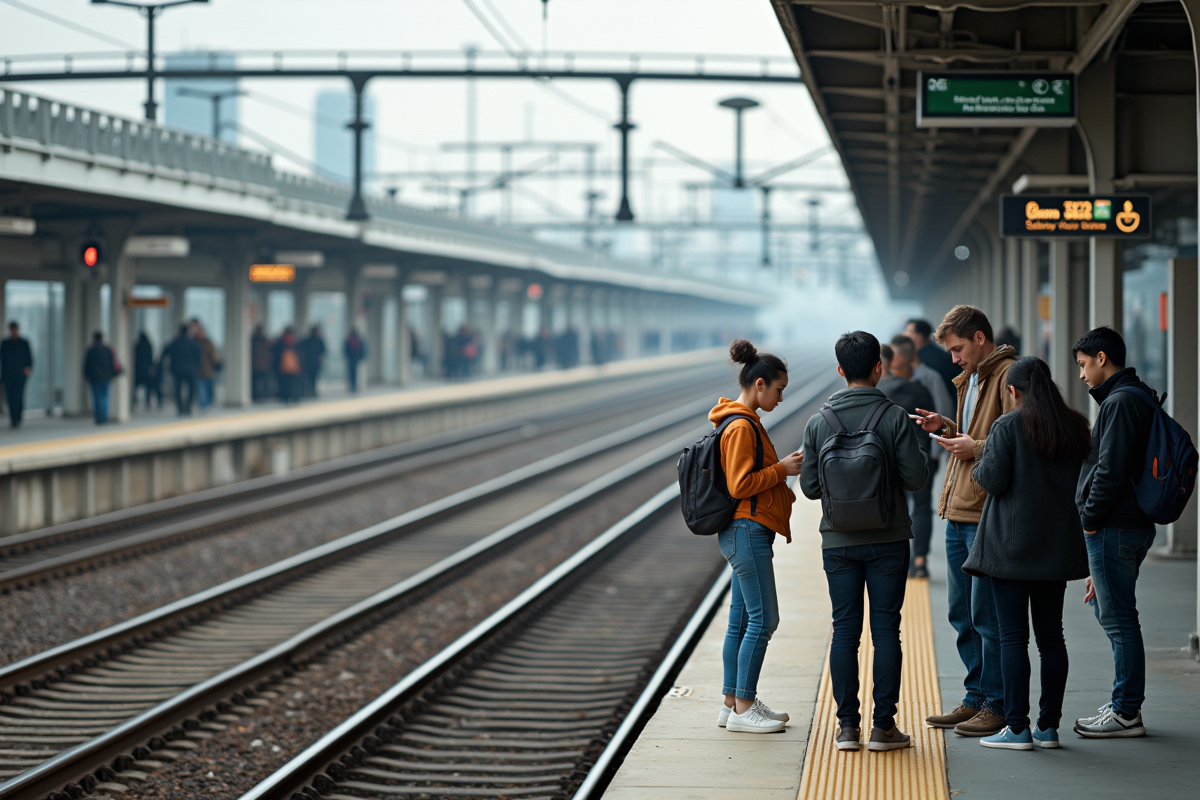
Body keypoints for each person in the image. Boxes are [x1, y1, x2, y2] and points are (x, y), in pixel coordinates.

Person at [801, 331, 929, 752]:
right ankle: (883, 728)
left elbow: (811, 488)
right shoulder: (893, 417)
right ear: (880, 367)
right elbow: (914, 479)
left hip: (837, 543)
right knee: (886, 631)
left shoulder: (819, 422)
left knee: (844, 633)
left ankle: (846, 728)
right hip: (888, 539)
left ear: (840, 370)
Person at [962, 356, 1091, 750]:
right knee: (1052, 638)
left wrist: (978, 460)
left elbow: (991, 480)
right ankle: (1048, 727)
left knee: (1012, 638)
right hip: (1055, 550)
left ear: (1013, 391)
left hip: (1010, 553)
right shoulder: (1075, 427)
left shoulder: (1008, 426)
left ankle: (1017, 728)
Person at [913, 305, 1017, 737]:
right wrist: (948, 425)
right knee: (962, 612)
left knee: (986, 615)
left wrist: (972, 444)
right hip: (958, 508)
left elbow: (1021, 432)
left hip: (983, 511)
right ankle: (975, 697)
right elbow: (979, 431)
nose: (953, 358)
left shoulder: (1009, 375)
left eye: (958, 349)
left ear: (979, 337)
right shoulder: (973, 377)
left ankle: (996, 703)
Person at [1071, 326, 1158, 738]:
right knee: (1112, 612)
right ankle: (1125, 703)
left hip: (1114, 524)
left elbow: (1110, 469)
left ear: (1102, 358)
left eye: (1085, 365)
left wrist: (1089, 520)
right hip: (1129, 524)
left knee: (1120, 619)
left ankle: (1126, 711)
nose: (1083, 375)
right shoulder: (1136, 395)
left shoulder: (1120, 403)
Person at [712, 339, 802, 734]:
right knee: (765, 619)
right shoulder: (742, 426)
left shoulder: (740, 422)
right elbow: (739, 484)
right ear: (760, 384)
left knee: (741, 620)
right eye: (779, 389)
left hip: (745, 531)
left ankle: (732, 702)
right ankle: (744, 708)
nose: (781, 398)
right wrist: (782, 470)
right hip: (746, 530)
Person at [879, 336, 937, 579]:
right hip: (918, 456)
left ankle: (895, 560)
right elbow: (932, 423)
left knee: (892, 506)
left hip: (885, 457)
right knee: (922, 506)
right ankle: (920, 560)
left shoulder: (879, 391)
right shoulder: (920, 389)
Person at [906, 317, 958, 399]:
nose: (906, 334)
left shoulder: (921, 359)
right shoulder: (941, 353)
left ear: (919, 336)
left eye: (909, 331)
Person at [161, 323, 201, 416]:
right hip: (191, 370)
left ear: (179, 331)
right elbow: (199, 356)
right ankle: (188, 407)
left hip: (177, 370)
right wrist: (196, 366)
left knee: (177, 389)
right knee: (191, 390)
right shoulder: (193, 342)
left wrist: (161, 365)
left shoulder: (174, 341)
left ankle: (180, 409)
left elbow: (165, 353)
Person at [0, 322, 33, 428]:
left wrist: (28, 368)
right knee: (10, 397)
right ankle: (13, 418)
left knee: (18, 396)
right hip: (7, 375)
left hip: (20, 376)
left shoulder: (24, 343)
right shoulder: (5, 344)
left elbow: (29, 358)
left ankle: (18, 417)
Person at [83, 331, 119, 425]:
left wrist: (86, 376)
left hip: (94, 378)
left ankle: (98, 417)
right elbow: (112, 363)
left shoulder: (90, 350)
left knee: (96, 397)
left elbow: (87, 365)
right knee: (105, 397)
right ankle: (104, 417)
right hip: (106, 377)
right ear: (102, 338)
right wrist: (113, 374)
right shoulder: (107, 349)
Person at [273, 326, 303, 404]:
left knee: (284, 384)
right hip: (294, 367)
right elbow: (300, 355)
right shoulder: (295, 342)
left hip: (283, 367)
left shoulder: (280, 342)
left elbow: (275, 353)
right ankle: (295, 397)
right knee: (294, 384)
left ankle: (285, 397)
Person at [195, 323, 221, 410]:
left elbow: (214, 354)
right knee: (201, 391)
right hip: (198, 371)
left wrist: (216, 362)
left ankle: (208, 404)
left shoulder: (208, 342)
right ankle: (204, 405)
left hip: (208, 370)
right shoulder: (194, 342)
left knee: (209, 390)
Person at [133, 331, 158, 410]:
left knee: (136, 386)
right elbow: (151, 358)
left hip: (138, 369)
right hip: (147, 369)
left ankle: (134, 401)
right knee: (148, 387)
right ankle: (147, 402)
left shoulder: (137, 346)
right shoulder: (148, 345)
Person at [301, 325, 326, 397]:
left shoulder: (306, 340)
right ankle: (313, 391)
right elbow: (323, 351)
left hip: (307, 362)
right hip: (316, 362)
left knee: (309, 378)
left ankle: (309, 390)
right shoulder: (319, 340)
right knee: (314, 378)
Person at [251, 325, 272, 402]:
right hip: (256, 366)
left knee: (263, 383)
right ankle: (256, 397)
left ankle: (262, 397)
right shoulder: (253, 341)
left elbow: (268, 354)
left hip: (263, 366)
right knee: (256, 383)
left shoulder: (264, 341)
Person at [345, 328, 366, 392]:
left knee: (351, 373)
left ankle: (352, 386)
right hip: (356, 359)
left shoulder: (349, 340)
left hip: (351, 359)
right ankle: (354, 386)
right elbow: (361, 350)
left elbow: (346, 350)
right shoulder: (358, 340)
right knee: (355, 373)